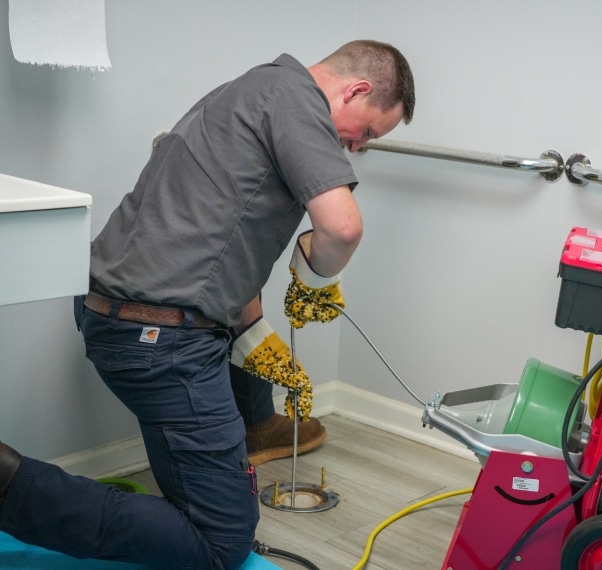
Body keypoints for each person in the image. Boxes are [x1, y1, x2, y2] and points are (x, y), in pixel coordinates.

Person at [0, 39, 415, 570]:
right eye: (368, 132)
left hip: (118, 319)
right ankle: (10, 485)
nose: (354, 149)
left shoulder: (246, 91)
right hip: (164, 342)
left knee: (201, 506)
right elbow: (342, 228)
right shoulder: (297, 99)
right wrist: (315, 280)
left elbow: (224, 238)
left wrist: (258, 340)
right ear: (356, 91)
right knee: (222, 543)